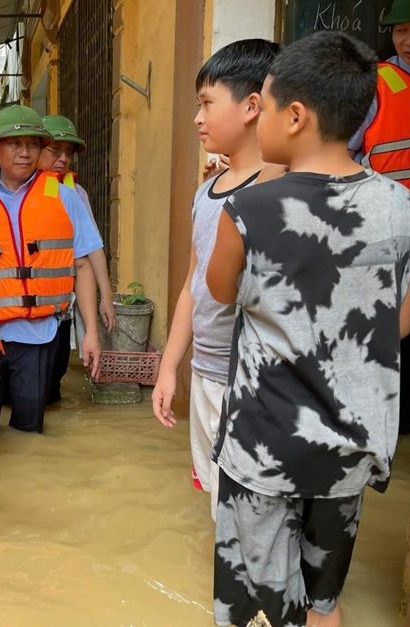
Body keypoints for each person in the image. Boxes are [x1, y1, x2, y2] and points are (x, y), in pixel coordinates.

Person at [206, 31, 410, 627]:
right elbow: (400, 321)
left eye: (265, 106)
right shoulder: (399, 204)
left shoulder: (247, 212)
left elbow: (222, 293)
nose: (258, 118)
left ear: (294, 116)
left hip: (264, 450)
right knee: (323, 597)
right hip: (351, 449)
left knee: (259, 599)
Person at [152, 39, 281, 521]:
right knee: (219, 506)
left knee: (253, 513)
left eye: (207, 103)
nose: (197, 118)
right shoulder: (206, 191)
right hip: (205, 373)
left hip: (252, 379)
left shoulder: (280, 188)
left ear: (252, 106)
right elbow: (192, 285)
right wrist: (170, 368)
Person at [0, 105, 102, 437]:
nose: (25, 153)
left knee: (29, 433)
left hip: (39, 335)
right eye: (14, 144)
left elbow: (82, 264)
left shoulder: (65, 198)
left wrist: (89, 332)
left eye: (33, 144)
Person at [348, 0, 410, 434]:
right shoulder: (377, 85)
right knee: (390, 331)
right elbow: (340, 153)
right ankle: (393, 428)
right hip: (386, 234)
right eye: (401, 30)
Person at [37, 114, 115, 403]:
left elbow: (91, 249)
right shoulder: (19, 194)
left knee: (53, 382)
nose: (63, 158)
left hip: (62, 304)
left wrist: (105, 297)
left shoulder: (75, 193)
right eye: (55, 150)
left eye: (68, 152)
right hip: (25, 307)